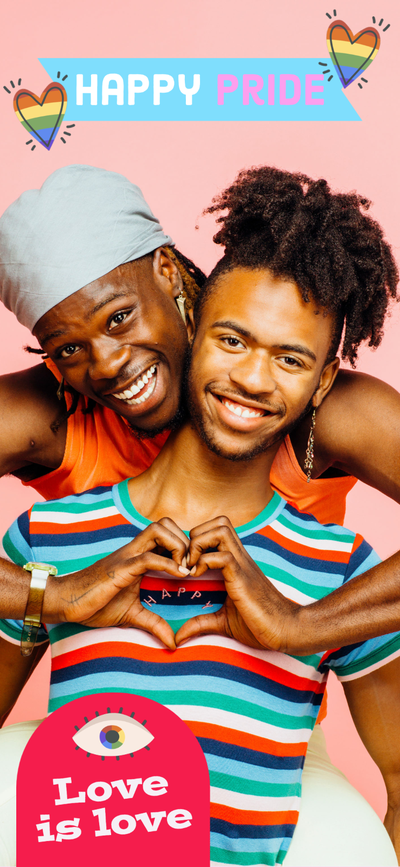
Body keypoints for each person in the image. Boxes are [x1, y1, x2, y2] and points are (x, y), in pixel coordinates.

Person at [0, 253, 399, 867]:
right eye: (232, 341)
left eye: (291, 359)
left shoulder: (341, 572)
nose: (253, 379)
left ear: (322, 383)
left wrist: (299, 625)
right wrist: (50, 595)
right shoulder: (50, 538)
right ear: (191, 337)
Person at [0, 163, 399, 653]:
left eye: (120, 318)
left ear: (167, 272)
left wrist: (306, 626)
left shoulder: (308, 405)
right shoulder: (50, 414)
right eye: (67, 349)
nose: (106, 365)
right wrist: (55, 596)